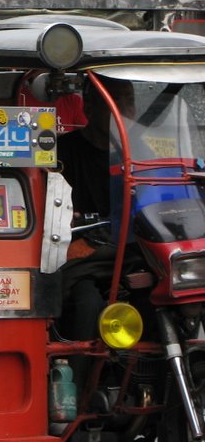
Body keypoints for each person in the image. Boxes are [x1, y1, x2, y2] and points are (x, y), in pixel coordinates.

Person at [55, 75, 136, 389]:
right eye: (116, 102)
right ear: (90, 104)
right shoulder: (62, 152)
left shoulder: (137, 153)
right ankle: (73, 394)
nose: (125, 111)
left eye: (129, 101)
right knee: (87, 304)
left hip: (132, 253)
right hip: (83, 259)